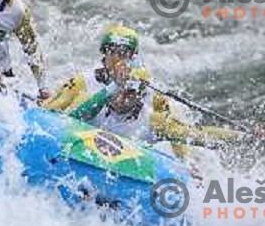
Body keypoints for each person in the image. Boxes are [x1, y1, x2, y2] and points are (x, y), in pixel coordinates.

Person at [41, 24, 241, 158]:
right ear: (104, 52)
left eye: (124, 53)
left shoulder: (152, 111)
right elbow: (63, 116)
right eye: (113, 51)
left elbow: (196, 134)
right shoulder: (86, 88)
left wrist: (239, 137)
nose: (123, 98)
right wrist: (114, 88)